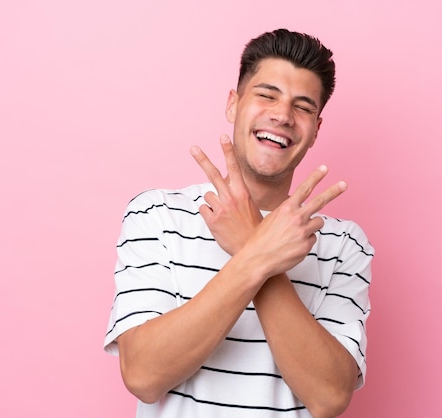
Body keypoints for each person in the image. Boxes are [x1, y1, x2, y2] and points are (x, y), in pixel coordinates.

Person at [104, 28, 374, 418]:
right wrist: (258, 254)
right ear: (233, 104)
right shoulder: (155, 215)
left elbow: (329, 397)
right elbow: (144, 376)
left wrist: (248, 244)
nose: (282, 116)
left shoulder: (344, 244)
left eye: (303, 107)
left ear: (316, 129)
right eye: (266, 95)